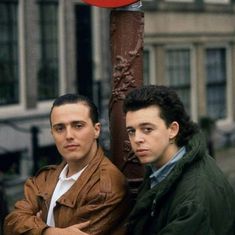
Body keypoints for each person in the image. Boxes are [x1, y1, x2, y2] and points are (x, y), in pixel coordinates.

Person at [4, 94, 130, 235]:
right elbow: (11, 223)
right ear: (52, 133)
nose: (69, 135)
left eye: (78, 126)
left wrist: (34, 225)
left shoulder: (107, 186)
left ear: (96, 130)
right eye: (60, 128)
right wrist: (50, 232)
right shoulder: (44, 178)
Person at [123, 85, 235, 235]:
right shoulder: (163, 167)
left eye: (147, 129)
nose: (137, 139)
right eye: (131, 131)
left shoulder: (193, 199)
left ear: (173, 130)